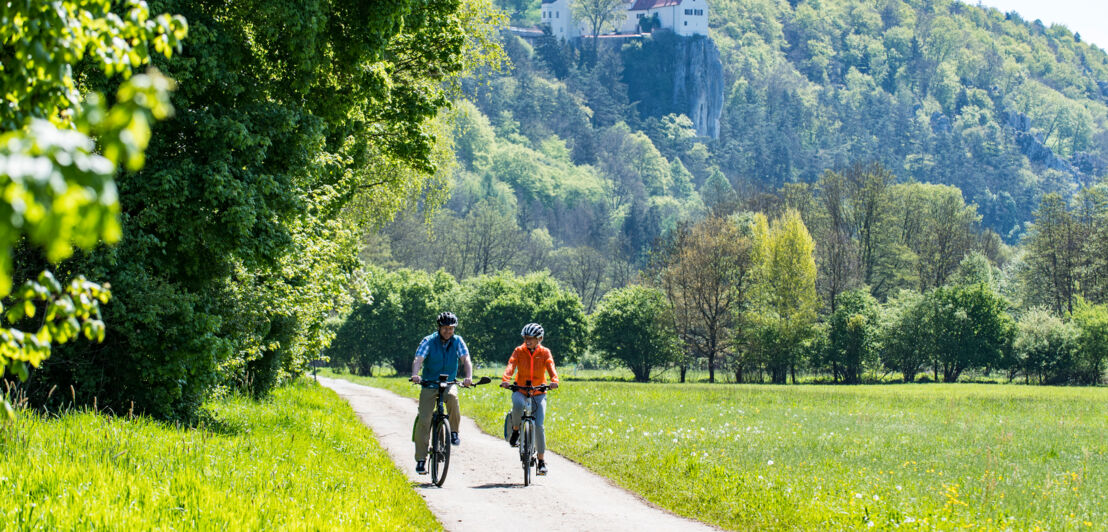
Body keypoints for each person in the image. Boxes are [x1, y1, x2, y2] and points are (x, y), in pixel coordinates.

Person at [410, 311, 473, 475]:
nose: (448, 331)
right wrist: (415, 375)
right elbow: (418, 358)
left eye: (451, 328)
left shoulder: (458, 341)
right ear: (439, 328)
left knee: (452, 398)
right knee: (424, 420)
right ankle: (421, 460)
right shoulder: (429, 341)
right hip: (430, 383)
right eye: (445, 328)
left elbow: (466, 359)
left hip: (449, 382)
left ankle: (454, 432)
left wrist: (468, 377)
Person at [500, 322, 559, 476]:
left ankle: (541, 461)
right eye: (526, 338)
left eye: (531, 339)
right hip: (521, 389)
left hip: (539, 392)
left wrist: (554, 381)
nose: (527, 341)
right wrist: (506, 379)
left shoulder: (545, 352)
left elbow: (551, 367)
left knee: (539, 425)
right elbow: (511, 365)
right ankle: (515, 431)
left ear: (539, 339)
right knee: (518, 405)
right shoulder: (519, 351)